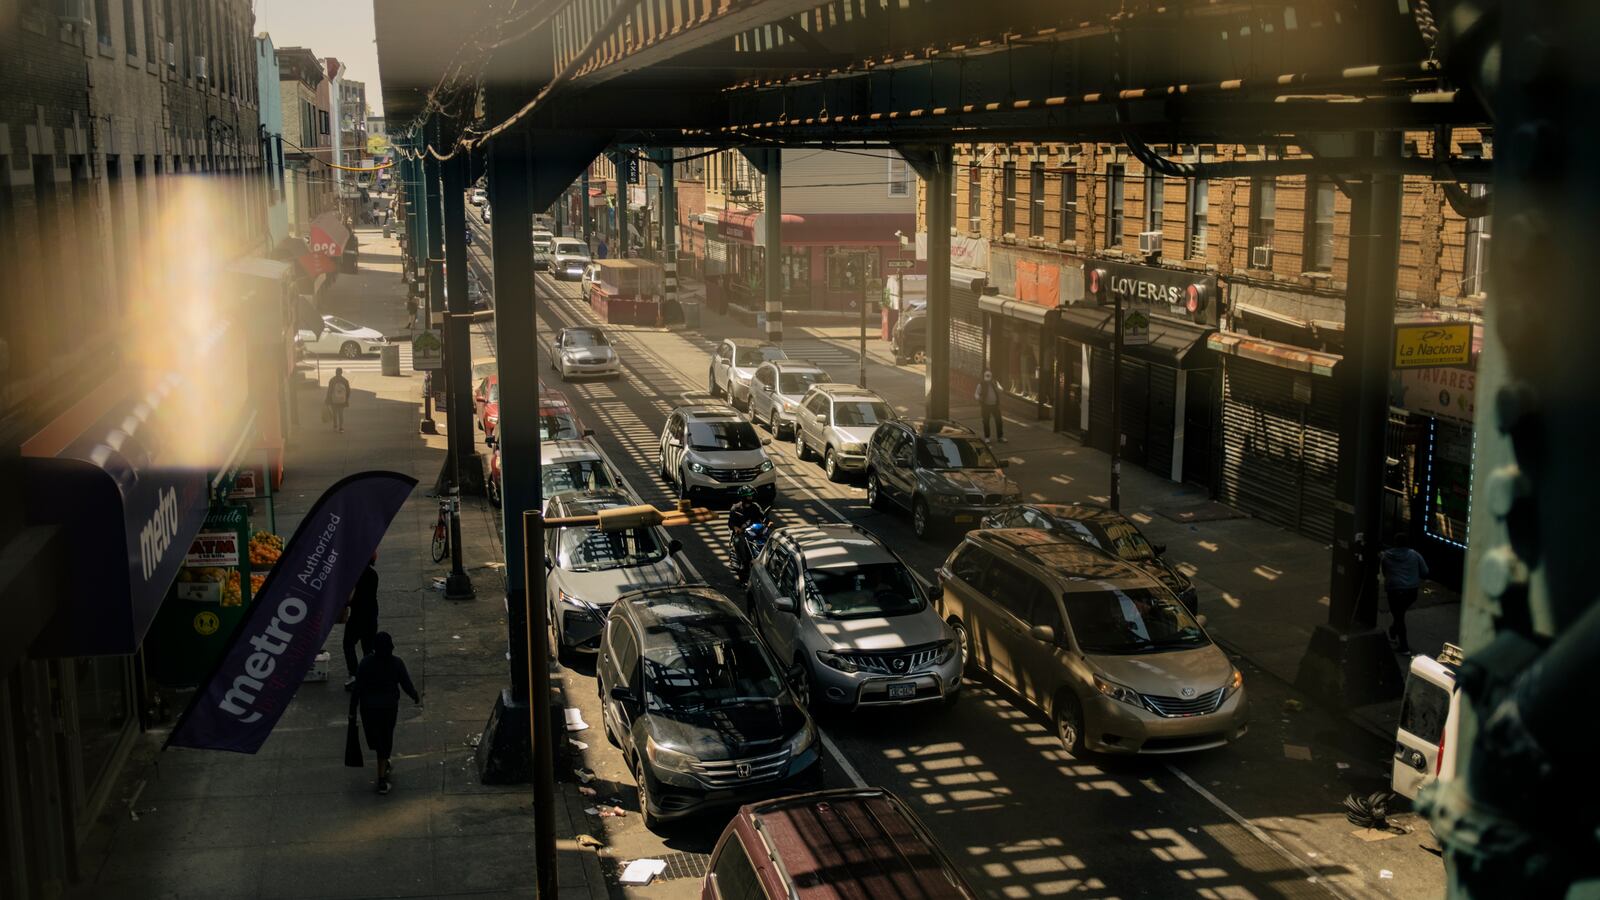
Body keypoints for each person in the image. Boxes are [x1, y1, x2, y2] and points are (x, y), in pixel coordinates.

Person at [348, 632, 420, 795]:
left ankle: (383, 768)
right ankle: (381, 778)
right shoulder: (396, 663)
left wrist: (352, 712)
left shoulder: (366, 663)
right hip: (388, 708)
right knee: (385, 739)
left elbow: (357, 689)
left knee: (375, 740)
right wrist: (414, 695)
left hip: (369, 709)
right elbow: (406, 683)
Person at [1381, 533, 1429, 654]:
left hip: (1394, 590)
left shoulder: (1386, 556)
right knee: (1399, 614)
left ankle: (1404, 646)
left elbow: (1384, 572)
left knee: (1399, 616)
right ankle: (1394, 631)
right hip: (1411, 591)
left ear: (1395, 543)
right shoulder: (1415, 554)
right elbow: (1425, 572)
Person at [344, 555, 380, 690]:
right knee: (368, 647)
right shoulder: (373, 574)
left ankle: (353, 675)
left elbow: (350, 597)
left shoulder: (355, 575)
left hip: (358, 615)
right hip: (371, 615)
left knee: (348, 643)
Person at [728, 486, 765, 579]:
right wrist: (737, 528)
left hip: (755, 531)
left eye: (751, 496)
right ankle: (743, 563)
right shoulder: (735, 508)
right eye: (748, 496)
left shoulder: (756, 507)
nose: (750, 498)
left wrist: (768, 522)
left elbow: (763, 516)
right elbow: (731, 523)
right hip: (742, 533)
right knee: (738, 542)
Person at [974, 370, 1006, 443]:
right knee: (986, 422)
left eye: (989, 376)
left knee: (999, 421)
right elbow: (976, 394)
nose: (988, 378)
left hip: (995, 406)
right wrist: (979, 398)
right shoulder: (981, 384)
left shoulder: (995, 383)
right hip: (986, 406)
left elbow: (1001, 390)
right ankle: (987, 437)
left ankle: (1000, 437)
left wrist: (996, 386)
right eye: (987, 376)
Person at [326, 368, 351, 433]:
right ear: (341, 372)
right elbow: (348, 391)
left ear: (336, 372)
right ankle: (341, 427)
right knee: (341, 413)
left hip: (333, 400)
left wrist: (327, 399)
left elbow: (329, 391)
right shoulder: (345, 381)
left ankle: (335, 426)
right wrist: (346, 399)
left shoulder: (332, 380)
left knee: (334, 413)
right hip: (342, 400)